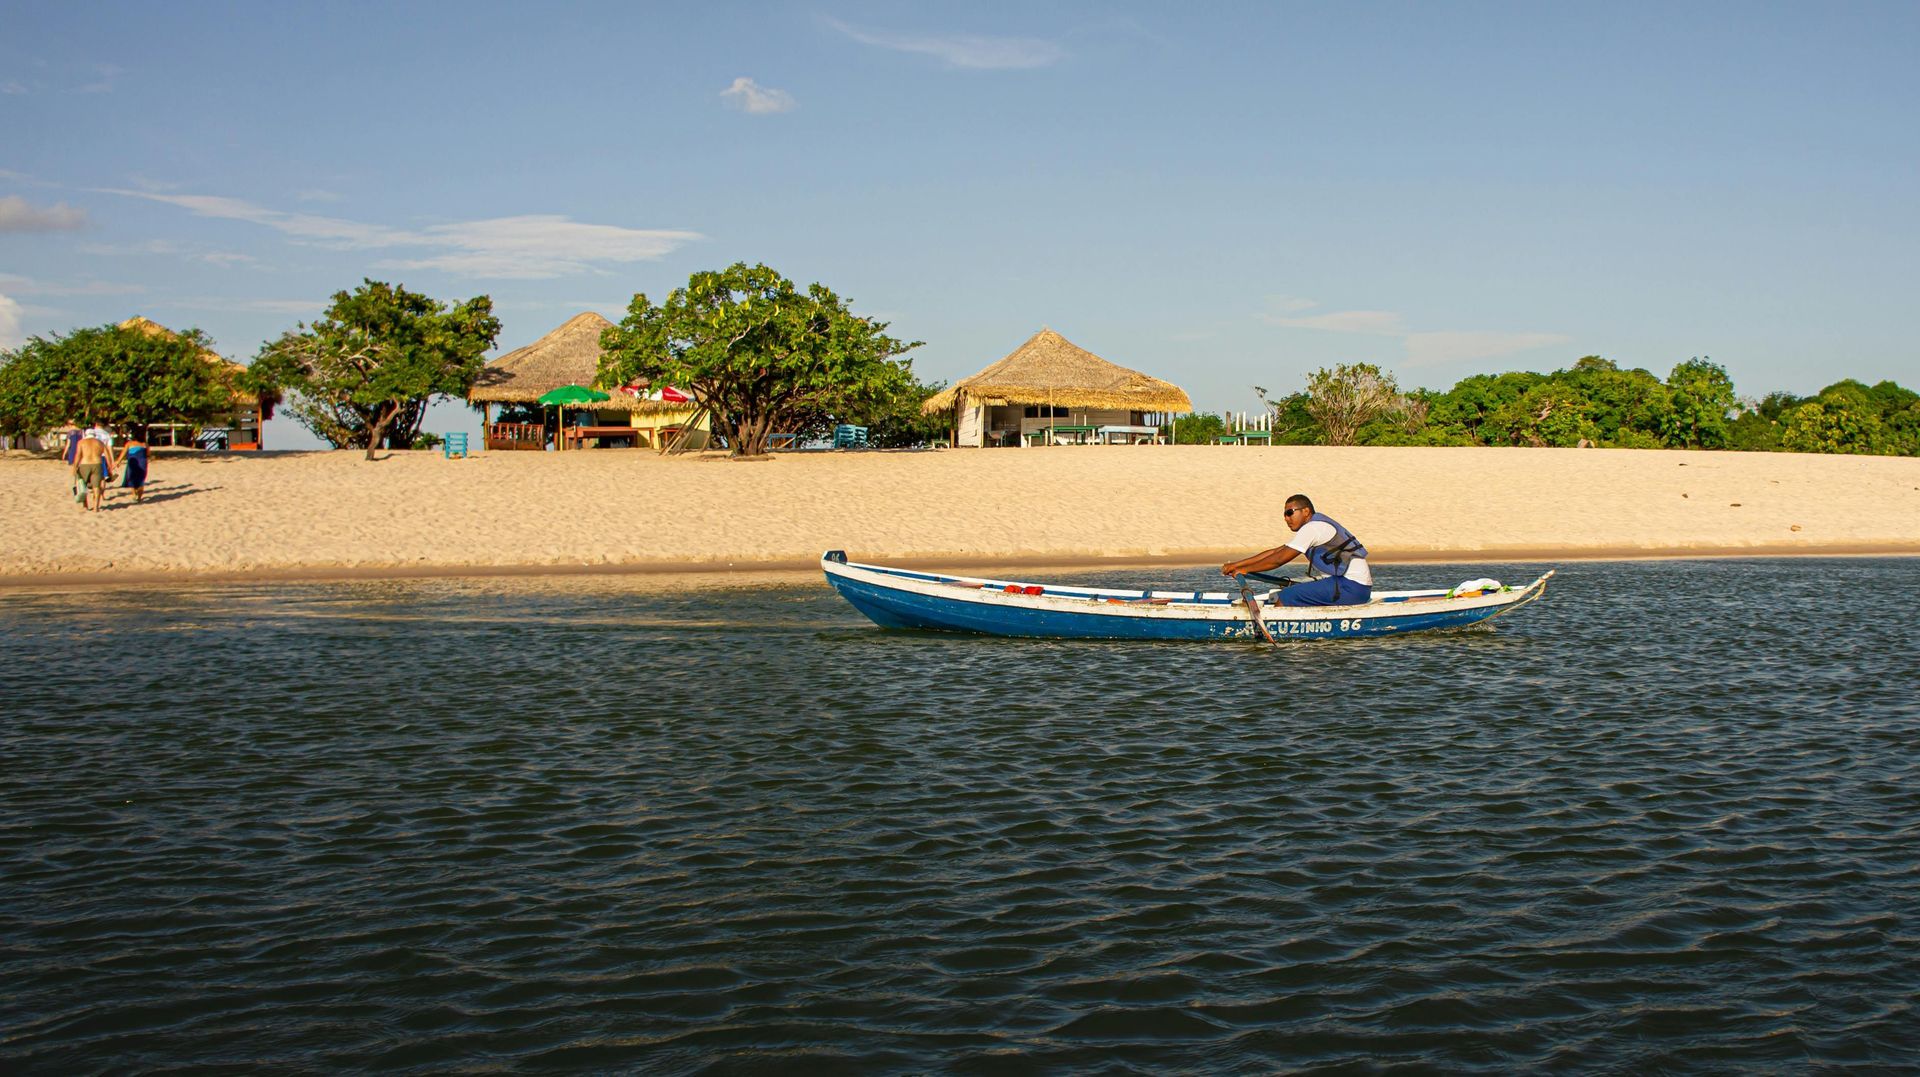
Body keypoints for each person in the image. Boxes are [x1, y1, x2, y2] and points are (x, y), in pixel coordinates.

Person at [1221, 493, 1373, 607]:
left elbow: (1279, 560)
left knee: (1285, 596)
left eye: (1290, 513)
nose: (1286, 518)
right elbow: (1276, 552)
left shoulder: (1313, 528)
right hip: (1354, 587)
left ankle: (1276, 635)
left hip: (1350, 587)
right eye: (1284, 514)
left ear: (1306, 511)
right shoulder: (1314, 526)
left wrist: (1245, 570)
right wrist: (1237, 565)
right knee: (1297, 592)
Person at [71, 431, 112, 511]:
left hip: (85, 464)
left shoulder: (81, 442)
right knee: (96, 487)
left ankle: (85, 506)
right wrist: (109, 467)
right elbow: (107, 456)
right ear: (94, 435)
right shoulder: (100, 443)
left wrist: (74, 467)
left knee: (83, 485)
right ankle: (96, 507)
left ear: (86, 434)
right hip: (97, 464)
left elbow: (78, 455)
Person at [116, 431, 150, 502]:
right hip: (142, 463)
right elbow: (148, 454)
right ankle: (139, 498)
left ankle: (134, 495)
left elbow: (123, 453)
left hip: (132, 463)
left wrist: (118, 462)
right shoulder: (145, 444)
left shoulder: (129, 443)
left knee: (132, 478)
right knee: (141, 480)